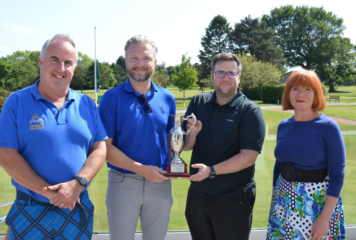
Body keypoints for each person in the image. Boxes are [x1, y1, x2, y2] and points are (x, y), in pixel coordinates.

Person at [0, 34, 108, 240]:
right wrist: (51, 194)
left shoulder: (87, 104)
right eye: (54, 59)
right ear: (41, 62)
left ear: (74, 68)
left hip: (77, 206)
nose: (61, 68)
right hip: (30, 208)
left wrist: (77, 184)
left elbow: (100, 148)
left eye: (68, 63)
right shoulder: (16, 102)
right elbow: (5, 156)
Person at [98, 35, 176, 240]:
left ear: (155, 62)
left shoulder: (167, 98)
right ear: (125, 60)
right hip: (123, 183)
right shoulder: (111, 98)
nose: (140, 64)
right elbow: (104, 148)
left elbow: (171, 145)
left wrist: (182, 148)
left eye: (147, 58)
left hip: (160, 182)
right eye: (134, 58)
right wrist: (142, 169)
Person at [182, 52, 266, 240]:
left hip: (234, 198)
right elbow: (186, 146)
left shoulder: (250, 110)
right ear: (212, 75)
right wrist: (192, 135)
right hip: (198, 195)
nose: (225, 78)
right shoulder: (198, 102)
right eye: (220, 73)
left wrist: (211, 171)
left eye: (231, 73)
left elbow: (248, 156)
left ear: (239, 77)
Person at [266, 70, 346, 240]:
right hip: (283, 201)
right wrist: (275, 199)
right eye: (295, 89)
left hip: (315, 205)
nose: (300, 94)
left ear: (316, 94)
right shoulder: (284, 126)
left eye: (308, 89)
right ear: (288, 93)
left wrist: (324, 219)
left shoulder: (328, 127)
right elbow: (279, 165)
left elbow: (337, 177)